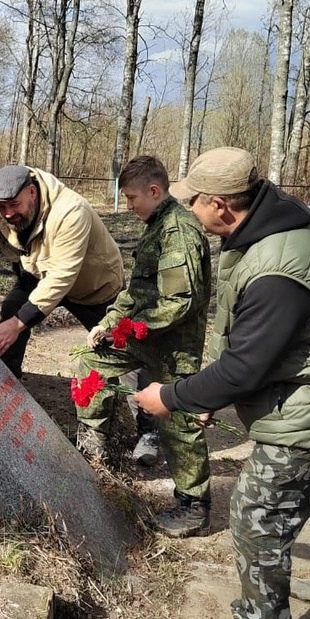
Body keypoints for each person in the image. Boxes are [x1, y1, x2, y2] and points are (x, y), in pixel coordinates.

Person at [134, 146, 310, 619]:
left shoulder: (276, 270)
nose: (188, 212)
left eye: (193, 203)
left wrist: (174, 396)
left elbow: (246, 367)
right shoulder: (273, 234)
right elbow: (258, 353)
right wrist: (208, 395)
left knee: (255, 517)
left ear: (221, 205)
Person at [74, 156, 213, 538]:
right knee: (92, 362)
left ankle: (193, 504)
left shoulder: (178, 232)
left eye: (132, 197)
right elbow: (136, 292)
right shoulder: (156, 226)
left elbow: (180, 302)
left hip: (172, 346)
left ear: (155, 191)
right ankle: (94, 445)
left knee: (178, 423)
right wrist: (108, 323)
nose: (129, 205)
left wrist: (134, 328)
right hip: (142, 336)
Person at [0, 165, 125, 377]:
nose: (8, 214)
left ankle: (144, 401)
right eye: (2, 207)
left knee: (120, 345)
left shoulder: (71, 211)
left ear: (32, 191)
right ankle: (6, 384)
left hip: (94, 286)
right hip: (39, 274)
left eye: (14, 205)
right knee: (13, 307)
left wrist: (18, 323)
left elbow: (62, 276)